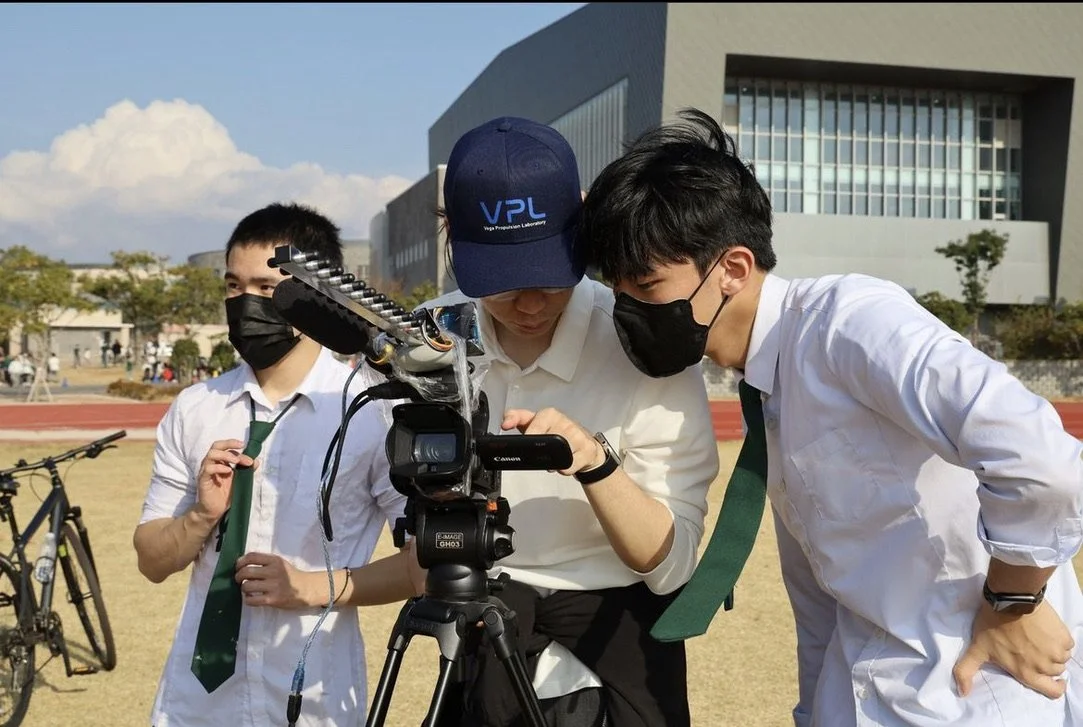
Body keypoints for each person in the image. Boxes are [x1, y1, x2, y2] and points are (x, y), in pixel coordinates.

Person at [577, 107, 1083, 727]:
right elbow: (820, 597)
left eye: (646, 286)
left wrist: (1013, 601)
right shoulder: (771, 383)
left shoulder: (850, 323)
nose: (627, 309)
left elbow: (1038, 456)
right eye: (617, 291)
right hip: (870, 692)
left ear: (732, 269)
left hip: (973, 691)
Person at [423, 116, 720, 727]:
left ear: (582, 218)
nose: (529, 305)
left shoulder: (645, 342)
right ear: (453, 239)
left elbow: (671, 566)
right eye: (502, 286)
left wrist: (594, 462)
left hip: (622, 653)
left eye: (548, 278)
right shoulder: (428, 343)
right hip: (480, 636)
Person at [133, 202, 423, 727]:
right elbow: (151, 562)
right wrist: (199, 516)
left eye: (267, 289)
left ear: (318, 293)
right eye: (233, 287)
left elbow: (424, 564)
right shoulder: (195, 408)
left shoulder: (375, 411)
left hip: (314, 700)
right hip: (195, 706)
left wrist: (311, 587)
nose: (245, 303)